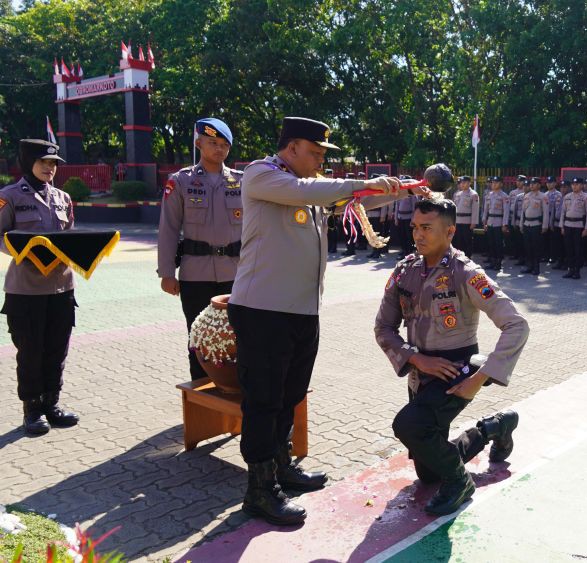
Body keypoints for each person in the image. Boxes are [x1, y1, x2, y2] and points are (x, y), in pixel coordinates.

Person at [227, 117, 421, 525]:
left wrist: (397, 190)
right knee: (263, 400)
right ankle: (259, 491)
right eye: (315, 152)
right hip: (263, 310)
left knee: (291, 394)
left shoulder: (311, 187)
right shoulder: (262, 175)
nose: (320, 161)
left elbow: (356, 202)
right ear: (292, 147)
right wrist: (355, 185)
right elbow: (311, 192)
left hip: (301, 310)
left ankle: (282, 468)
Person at [375, 197, 528, 515]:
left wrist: (479, 378)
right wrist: (415, 358)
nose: (418, 234)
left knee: (409, 426)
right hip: (421, 370)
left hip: (456, 370)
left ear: (450, 232)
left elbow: (516, 325)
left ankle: (460, 483)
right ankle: (493, 428)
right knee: (428, 470)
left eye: (427, 228)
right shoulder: (404, 271)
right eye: (415, 227)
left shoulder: (466, 273)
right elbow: (383, 328)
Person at [0, 139, 79, 435]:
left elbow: (69, 234)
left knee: (57, 348)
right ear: (28, 163)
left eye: (54, 163)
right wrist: (24, 252)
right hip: (26, 288)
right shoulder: (9, 197)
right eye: (44, 162)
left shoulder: (63, 198)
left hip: (61, 287)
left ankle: (52, 403)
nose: (50, 168)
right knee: (30, 350)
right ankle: (32, 408)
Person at [157, 118, 243, 381]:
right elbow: (168, 228)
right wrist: (167, 273)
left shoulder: (242, 181)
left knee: (238, 337)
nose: (219, 149)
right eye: (212, 143)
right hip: (196, 276)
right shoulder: (181, 181)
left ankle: (236, 396)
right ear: (199, 143)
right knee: (199, 339)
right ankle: (201, 401)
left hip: (235, 274)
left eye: (224, 145)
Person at [519, 177, 550, 275]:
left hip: (536, 224)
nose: (531, 185)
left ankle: (536, 267)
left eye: (534, 183)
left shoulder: (543, 196)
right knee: (527, 247)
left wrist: (545, 225)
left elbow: (545, 212)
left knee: (536, 247)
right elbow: (523, 212)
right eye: (531, 184)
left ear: (539, 185)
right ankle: (529, 266)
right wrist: (521, 224)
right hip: (527, 224)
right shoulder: (527, 196)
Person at [560, 177, 587, 279]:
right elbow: (563, 212)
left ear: (581, 185)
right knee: (569, 249)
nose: (574, 186)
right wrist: (562, 226)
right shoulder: (567, 196)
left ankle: (577, 270)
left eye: (577, 184)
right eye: (573, 184)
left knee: (578, 249)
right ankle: (570, 269)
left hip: (579, 226)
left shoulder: (585, 197)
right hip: (568, 225)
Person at [481, 176, 509, 270]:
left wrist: (504, 224)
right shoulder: (489, 195)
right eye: (492, 182)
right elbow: (485, 210)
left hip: (499, 222)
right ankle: (492, 262)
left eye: (496, 182)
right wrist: (484, 222)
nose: (494, 184)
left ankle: (498, 263)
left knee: (498, 244)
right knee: (491, 243)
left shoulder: (504, 196)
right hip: (490, 222)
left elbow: (506, 211)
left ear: (501, 184)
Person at [453, 175, 479, 255]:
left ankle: (468, 258)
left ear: (469, 183)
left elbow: (475, 209)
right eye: (461, 183)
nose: (462, 184)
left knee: (467, 241)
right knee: (458, 241)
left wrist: (473, 222)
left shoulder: (473, 194)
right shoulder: (458, 194)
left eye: (464, 183)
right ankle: (459, 258)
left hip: (467, 221)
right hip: (458, 221)